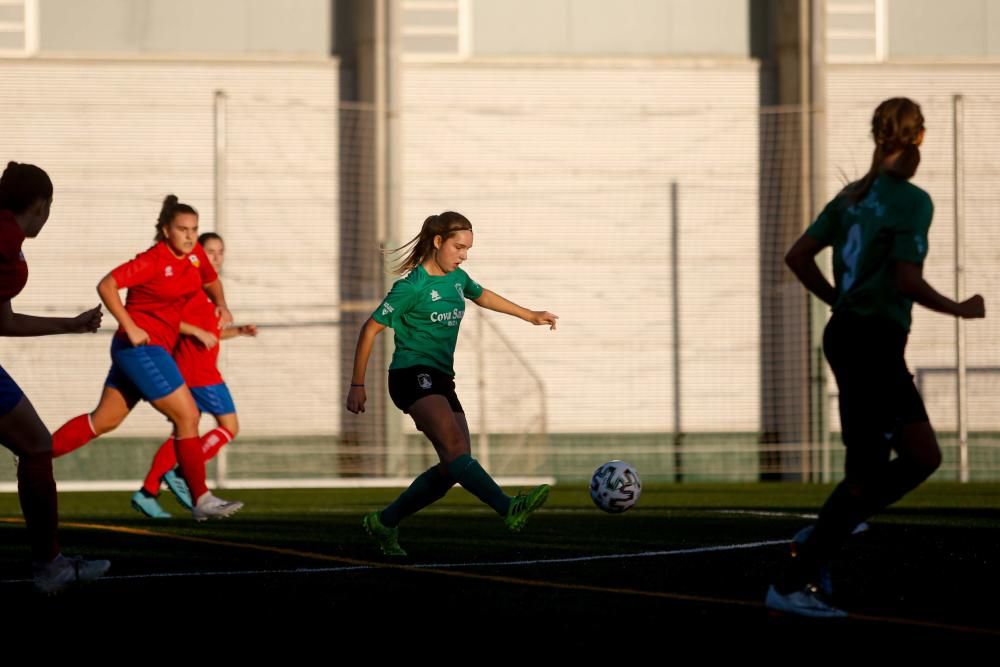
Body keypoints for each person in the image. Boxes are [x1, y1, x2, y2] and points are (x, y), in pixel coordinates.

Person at [767, 98, 986, 617]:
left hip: (855, 336)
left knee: (920, 456)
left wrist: (838, 302)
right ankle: (795, 581)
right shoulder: (912, 200)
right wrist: (960, 308)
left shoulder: (850, 197)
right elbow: (906, 279)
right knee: (872, 472)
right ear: (921, 138)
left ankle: (827, 530)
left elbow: (797, 256)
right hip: (869, 341)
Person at [347, 211, 558, 556]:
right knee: (456, 451)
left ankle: (384, 522)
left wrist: (530, 315)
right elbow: (369, 329)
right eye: (458, 247)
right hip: (411, 374)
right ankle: (508, 508)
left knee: (455, 464)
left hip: (442, 378)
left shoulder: (457, 279)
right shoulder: (411, 287)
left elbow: (482, 295)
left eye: (468, 249)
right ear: (438, 242)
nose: (463, 255)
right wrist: (357, 384)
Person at [51, 195, 244, 521]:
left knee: (103, 420)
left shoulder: (195, 255)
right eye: (182, 229)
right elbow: (107, 284)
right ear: (166, 230)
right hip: (142, 348)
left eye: (194, 229)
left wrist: (222, 304)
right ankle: (201, 498)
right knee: (187, 416)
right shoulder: (153, 260)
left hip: (147, 351)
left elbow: (211, 280)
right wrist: (129, 325)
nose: (190, 236)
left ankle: (35, 453)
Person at [0, 161, 110, 593]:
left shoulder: (9, 237)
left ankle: (51, 564)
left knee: (36, 445)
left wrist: (70, 324)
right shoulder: (7, 236)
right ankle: (50, 567)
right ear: (41, 205)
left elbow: (3, 321)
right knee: (37, 446)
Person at [131, 232, 257, 518]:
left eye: (220, 252)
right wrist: (196, 330)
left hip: (193, 370)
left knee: (182, 432)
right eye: (210, 251)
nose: (216, 257)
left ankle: (148, 490)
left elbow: (210, 334)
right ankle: (182, 473)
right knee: (230, 426)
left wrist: (238, 331)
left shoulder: (208, 289)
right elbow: (171, 321)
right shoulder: (190, 285)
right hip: (198, 372)